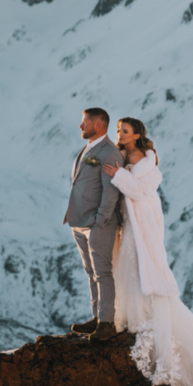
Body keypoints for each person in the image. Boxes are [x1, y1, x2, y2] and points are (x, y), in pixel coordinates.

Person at [103, 117, 193, 386]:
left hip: (142, 220)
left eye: (125, 131)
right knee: (127, 264)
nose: (120, 134)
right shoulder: (124, 154)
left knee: (137, 263)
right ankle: (130, 315)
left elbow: (142, 191)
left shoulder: (144, 159)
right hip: (131, 218)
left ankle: (142, 315)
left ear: (138, 135)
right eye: (118, 130)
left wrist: (118, 176)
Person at [64, 107, 124, 343]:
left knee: (102, 273)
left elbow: (110, 193)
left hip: (98, 224)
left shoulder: (110, 153)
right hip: (79, 221)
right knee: (90, 272)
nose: (81, 126)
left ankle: (107, 323)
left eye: (84, 122)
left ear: (99, 124)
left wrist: (100, 222)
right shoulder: (88, 148)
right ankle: (97, 317)